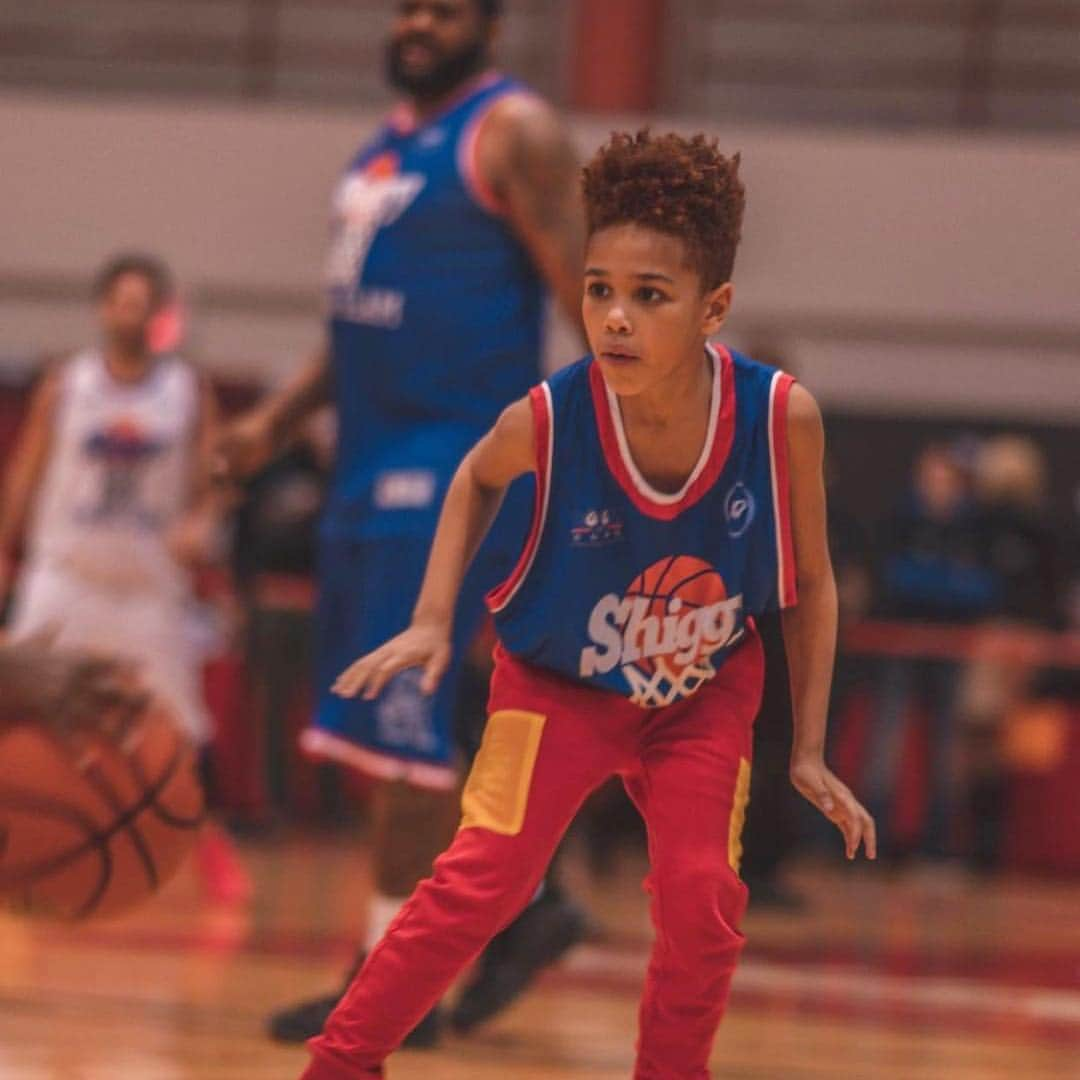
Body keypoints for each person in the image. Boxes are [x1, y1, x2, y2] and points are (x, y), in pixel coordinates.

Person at [301, 129, 876, 1080]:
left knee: (700, 899)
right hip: (558, 683)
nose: (613, 317)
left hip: (699, 694)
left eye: (648, 297)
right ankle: (341, 1065)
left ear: (713, 309)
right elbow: (473, 483)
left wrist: (808, 746)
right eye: (599, 288)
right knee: (479, 882)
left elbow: (809, 587)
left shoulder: (780, 419)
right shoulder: (552, 414)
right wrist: (435, 614)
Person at [215, 0, 586, 1045]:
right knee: (381, 738)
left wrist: (626, 452)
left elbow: (594, 294)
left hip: (454, 465)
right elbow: (354, 325)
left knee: (406, 736)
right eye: (409, 6)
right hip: (363, 466)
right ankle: (522, 907)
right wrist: (273, 422)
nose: (421, 23)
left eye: (447, 10)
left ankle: (390, 981)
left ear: (490, 26)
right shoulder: (382, 146)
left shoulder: (513, 131)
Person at [0, 252, 248, 902]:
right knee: (15, 705)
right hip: (65, 573)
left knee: (183, 730)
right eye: (119, 300)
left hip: (146, 583)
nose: (128, 312)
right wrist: (5, 547)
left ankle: (207, 848)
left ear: (157, 315)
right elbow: (27, 468)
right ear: (102, 308)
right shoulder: (68, 382)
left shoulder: (188, 391)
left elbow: (219, 474)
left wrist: (205, 519)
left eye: (141, 303)